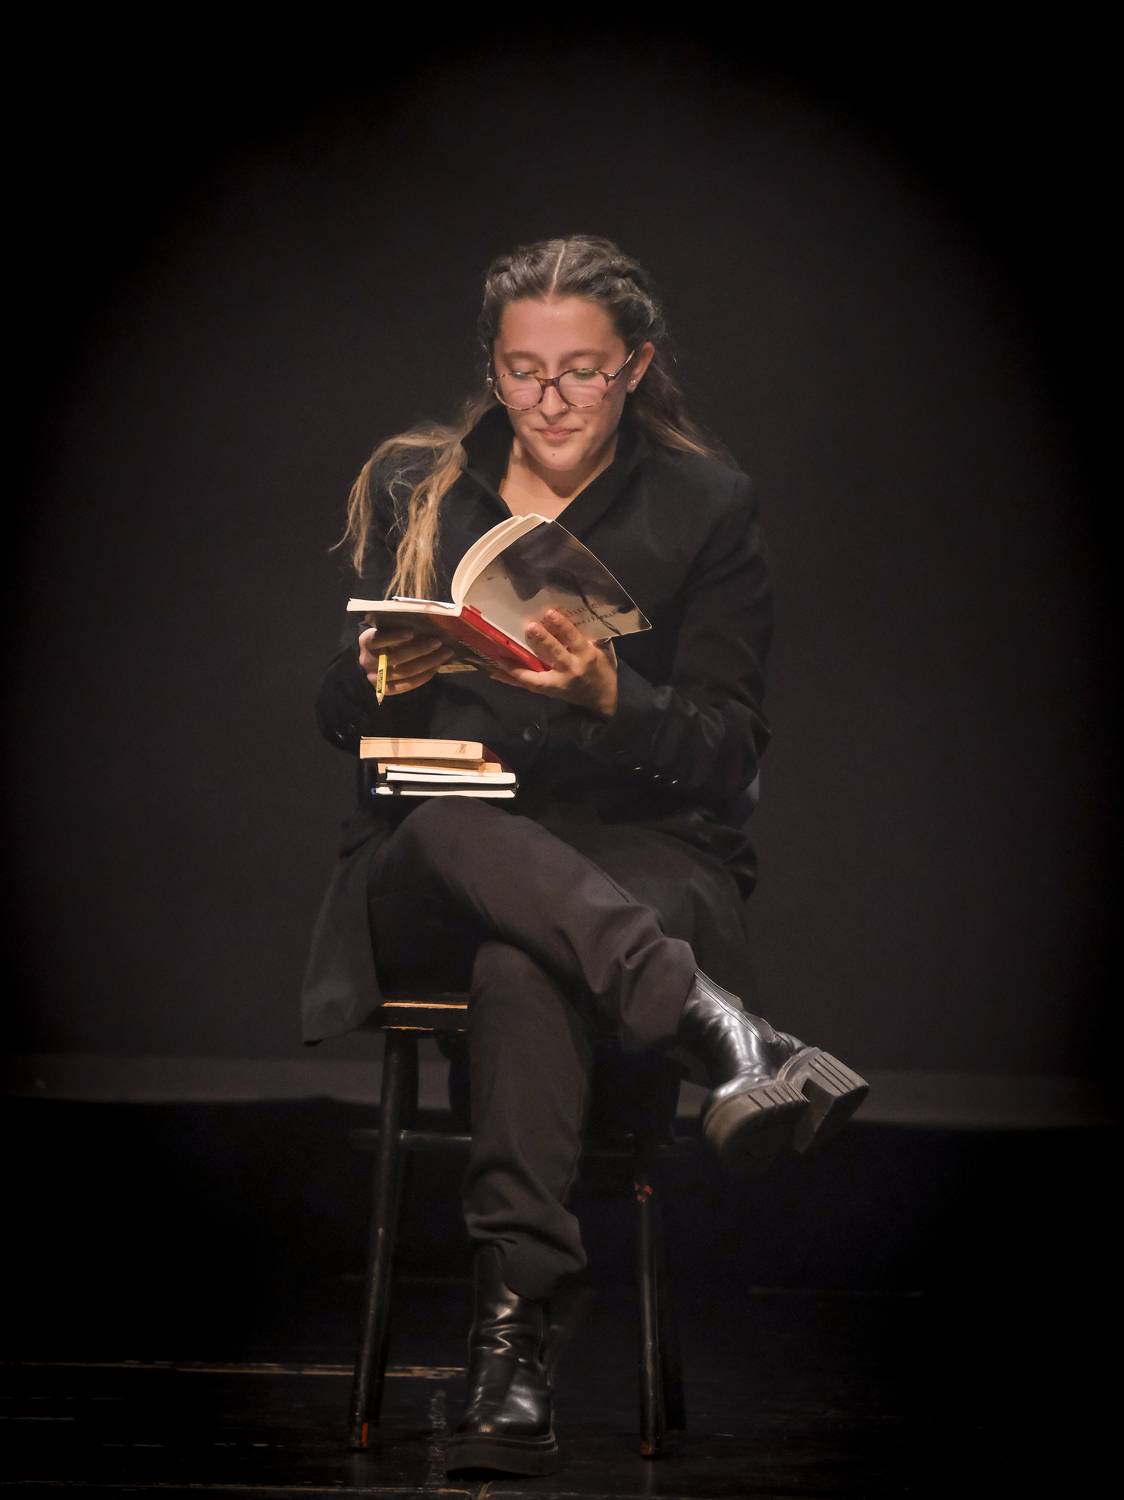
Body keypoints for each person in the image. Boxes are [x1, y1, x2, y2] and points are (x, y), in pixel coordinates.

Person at [303, 235, 868, 1477]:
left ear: (635, 367)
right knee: (452, 829)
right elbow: (338, 716)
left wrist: (618, 700)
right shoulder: (421, 489)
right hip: (437, 854)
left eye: (581, 371)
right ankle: (718, 1029)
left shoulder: (704, 506)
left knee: (524, 964)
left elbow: (726, 751)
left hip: (630, 861)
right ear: (492, 368)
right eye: (522, 370)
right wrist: (375, 675)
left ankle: (509, 1357)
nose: (549, 399)